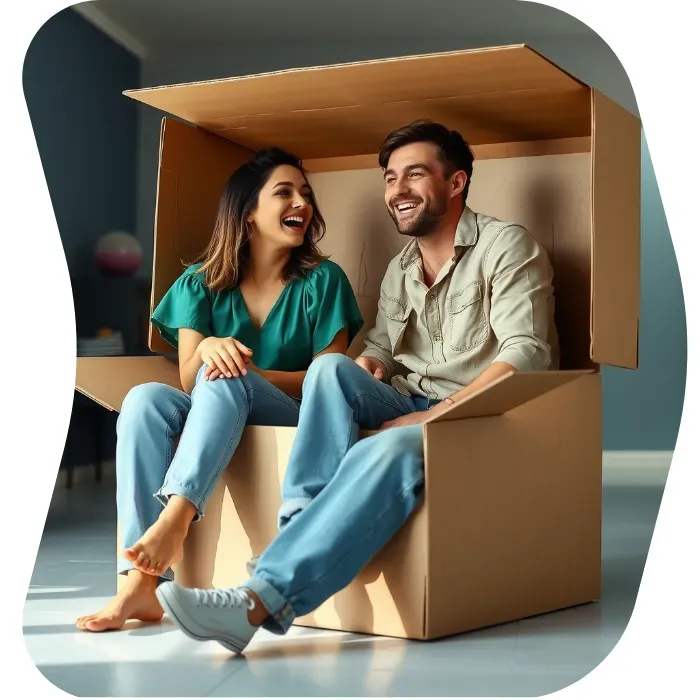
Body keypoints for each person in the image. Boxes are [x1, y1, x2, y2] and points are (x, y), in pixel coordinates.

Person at [154, 120, 558, 654]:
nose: (398, 190)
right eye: (391, 178)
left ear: (456, 183)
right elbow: (383, 350)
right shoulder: (400, 268)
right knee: (330, 369)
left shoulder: (506, 246)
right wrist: (367, 365)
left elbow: (527, 355)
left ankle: (260, 598)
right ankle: (301, 525)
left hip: (475, 413)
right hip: (407, 398)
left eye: (415, 175)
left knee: (388, 444)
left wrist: (436, 415)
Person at [75, 147, 364, 632]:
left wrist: (243, 374)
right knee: (145, 398)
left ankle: (176, 520)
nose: (302, 202)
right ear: (247, 212)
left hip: (292, 416)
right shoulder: (200, 281)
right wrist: (209, 347)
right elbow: (188, 376)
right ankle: (138, 586)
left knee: (223, 376)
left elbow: (326, 379)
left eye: (307, 194)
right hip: (214, 409)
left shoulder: (323, 281)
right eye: (285, 192)